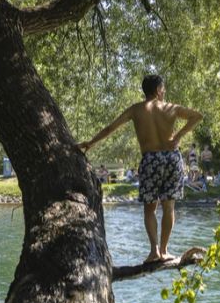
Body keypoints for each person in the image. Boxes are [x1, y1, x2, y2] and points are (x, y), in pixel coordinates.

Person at [78, 74, 202, 263]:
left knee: (150, 208)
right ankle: (165, 250)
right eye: (164, 88)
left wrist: (90, 143)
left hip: (151, 159)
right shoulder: (171, 108)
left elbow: (110, 128)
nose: (165, 91)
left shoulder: (136, 110)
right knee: (169, 207)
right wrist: (178, 136)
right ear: (158, 90)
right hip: (171, 158)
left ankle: (154, 252)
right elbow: (197, 116)